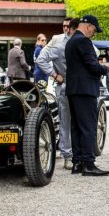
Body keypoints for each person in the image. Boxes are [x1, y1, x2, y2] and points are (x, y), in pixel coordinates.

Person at [65, 15, 109, 176]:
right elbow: (92, 65)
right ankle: (88, 164)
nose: (94, 33)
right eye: (94, 29)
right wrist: (105, 68)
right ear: (89, 26)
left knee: (77, 127)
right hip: (85, 89)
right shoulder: (83, 41)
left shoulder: (71, 40)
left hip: (74, 89)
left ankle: (77, 163)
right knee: (88, 127)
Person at [36, 17, 78, 170]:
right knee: (66, 121)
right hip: (65, 84)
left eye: (68, 26)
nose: (66, 28)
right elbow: (41, 60)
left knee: (82, 120)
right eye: (64, 26)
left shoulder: (82, 39)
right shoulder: (57, 41)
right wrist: (54, 74)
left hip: (81, 85)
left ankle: (82, 155)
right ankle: (68, 155)